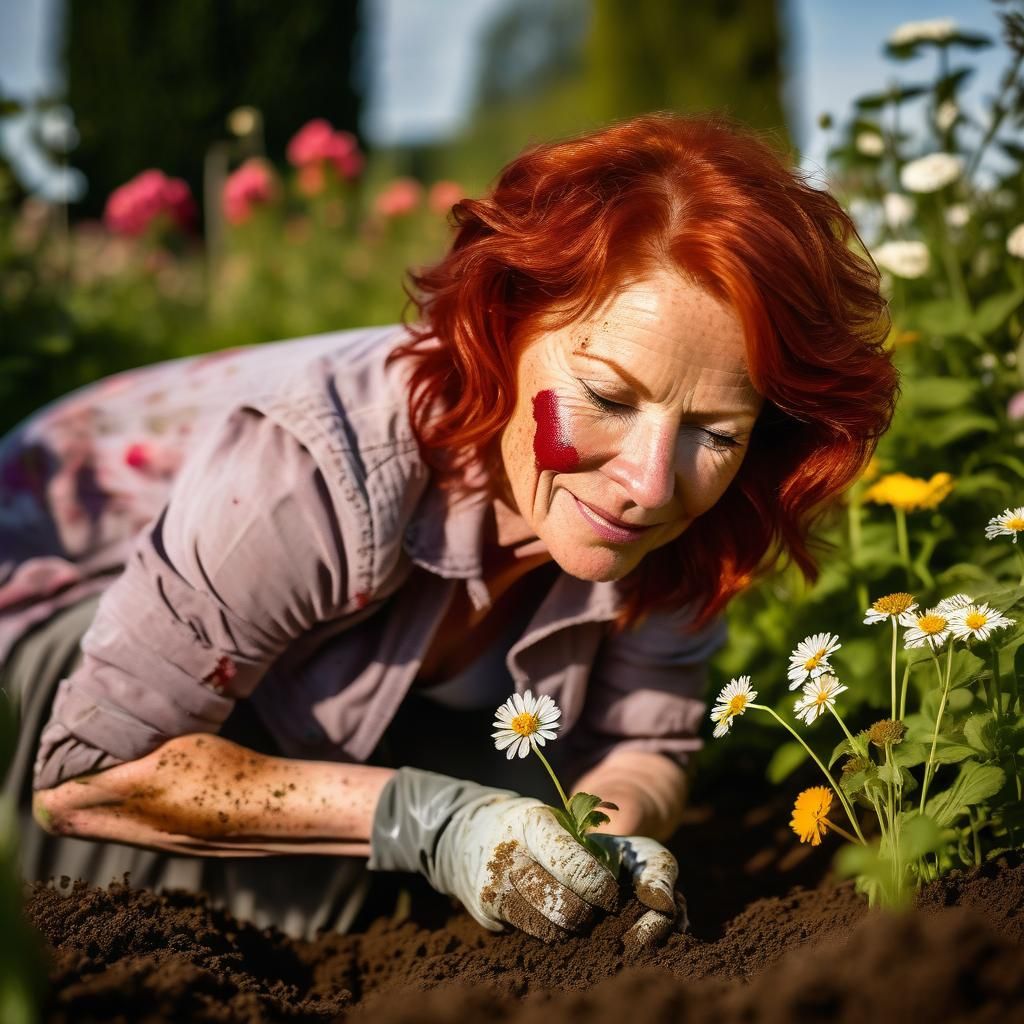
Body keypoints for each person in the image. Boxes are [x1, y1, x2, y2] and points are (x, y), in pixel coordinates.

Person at [1, 112, 898, 945]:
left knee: (511, 794)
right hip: (48, 646)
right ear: (505, 328)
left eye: (716, 433)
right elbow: (87, 774)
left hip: (314, 717)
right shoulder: (322, 465)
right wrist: (434, 823)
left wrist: (602, 844)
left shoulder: (692, 517)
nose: (648, 484)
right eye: (607, 397)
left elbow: (641, 747)